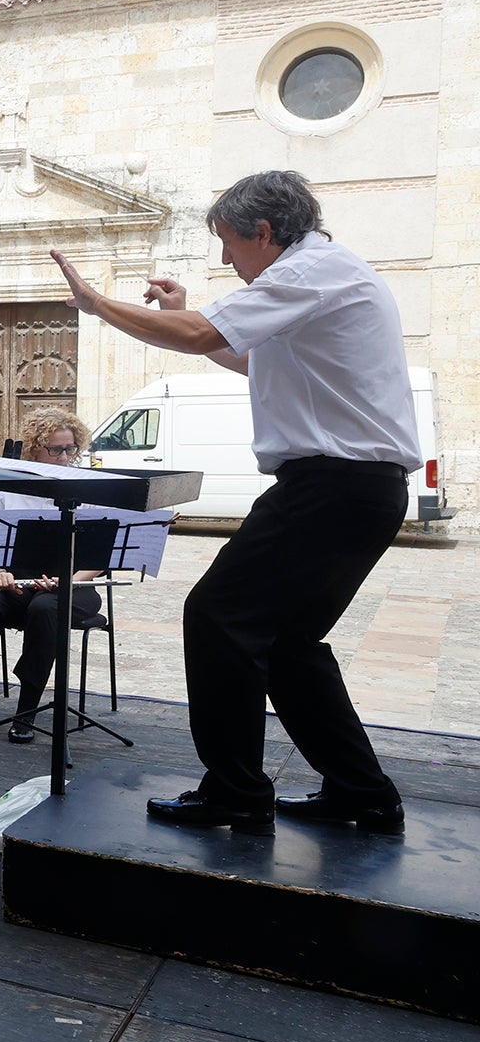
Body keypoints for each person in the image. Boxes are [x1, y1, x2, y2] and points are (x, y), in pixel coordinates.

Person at [53, 170, 416, 836]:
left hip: (333, 487)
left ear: (266, 232)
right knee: (285, 644)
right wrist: (176, 315)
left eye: (226, 242)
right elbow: (251, 360)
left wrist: (98, 303)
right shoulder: (319, 278)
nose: (225, 258)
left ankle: (236, 794)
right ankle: (362, 792)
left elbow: (199, 336)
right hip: (358, 490)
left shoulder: (310, 272)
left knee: (217, 615)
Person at [0, 408, 105, 743]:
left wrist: (71, 579)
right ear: (34, 448)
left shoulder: (90, 486)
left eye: (70, 449)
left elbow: (101, 559)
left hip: (75, 584)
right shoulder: (8, 484)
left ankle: (27, 710)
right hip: (19, 580)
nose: (65, 457)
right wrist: (0, 571)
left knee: (45, 608)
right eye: (55, 450)